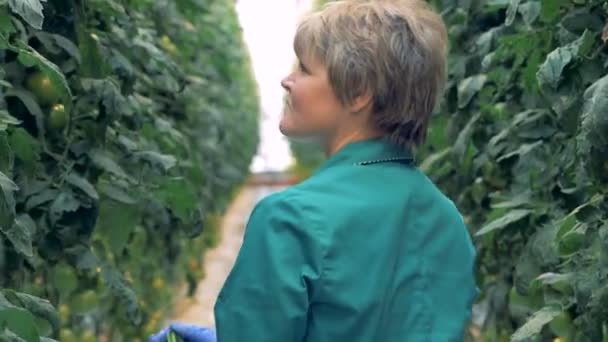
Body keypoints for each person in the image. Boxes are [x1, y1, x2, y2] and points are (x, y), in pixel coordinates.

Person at [150, 0, 479, 341]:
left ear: (358, 93)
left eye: (304, 69)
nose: (287, 81)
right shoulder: (447, 219)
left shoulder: (290, 218)